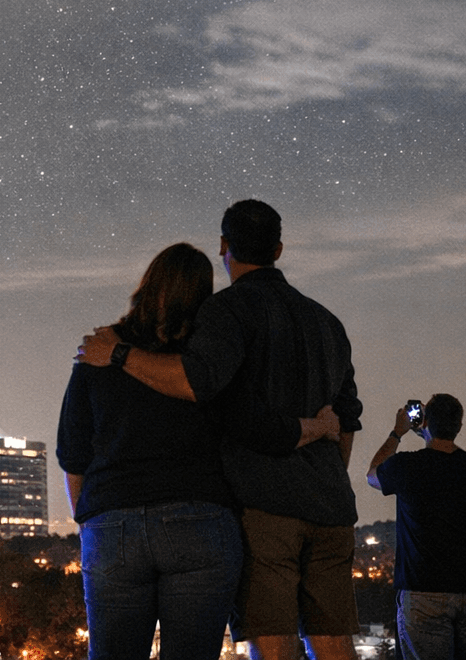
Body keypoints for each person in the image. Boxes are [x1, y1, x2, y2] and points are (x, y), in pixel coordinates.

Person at [78, 200, 363, 660]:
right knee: (334, 642)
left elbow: (196, 382)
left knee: (273, 643)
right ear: (279, 249)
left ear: (224, 246)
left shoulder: (226, 311)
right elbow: (346, 421)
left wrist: (118, 354)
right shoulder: (328, 322)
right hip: (331, 505)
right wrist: (322, 462)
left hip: (265, 506)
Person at [366, 394, 466, 660]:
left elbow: (373, 475)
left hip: (423, 590)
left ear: (425, 422)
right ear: (459, 426)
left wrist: (397, 433)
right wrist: (429, 432)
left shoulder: (407, 465)